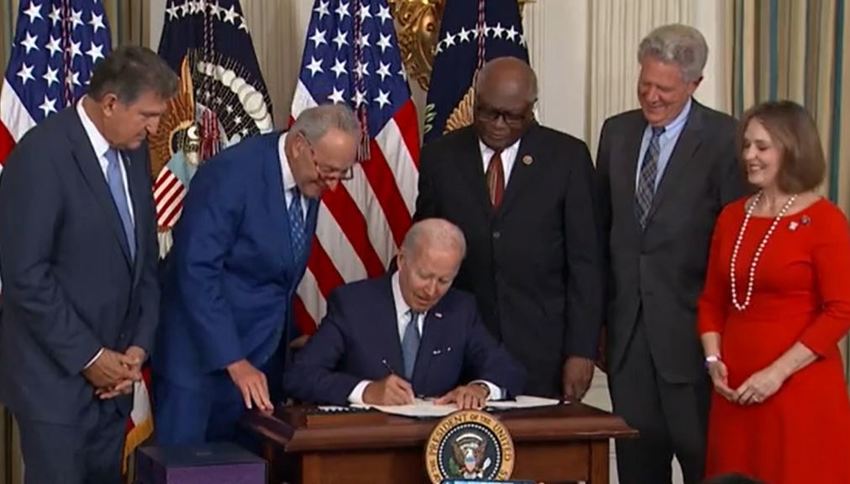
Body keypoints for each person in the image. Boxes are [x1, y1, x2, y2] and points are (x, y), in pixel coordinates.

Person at [0, 46, 175, 484]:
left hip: (115, 387)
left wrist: (137, 350)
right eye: (148, 116)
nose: (155, 129)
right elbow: (25, 277)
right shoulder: (42, 155)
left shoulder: (133, 152)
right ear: (111, 103)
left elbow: (145, 265)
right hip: (54, 388)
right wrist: (91, 357)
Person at [153, 104, 361, 444]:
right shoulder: (231, 174)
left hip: (262, 359)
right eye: (327, 172)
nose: (334, 186)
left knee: (250, 466)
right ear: (299, 145)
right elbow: (196, 271)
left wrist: (292, 336)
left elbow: (276, 269)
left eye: (342, 174)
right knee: (187, 467)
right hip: (199, 365)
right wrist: (234, 360)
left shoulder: (311, 176)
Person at [596, 24, 747, 484]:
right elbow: (602, 232)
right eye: (645, 84)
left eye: (664, 88)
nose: (651, 97)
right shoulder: (617, 132)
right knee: (638, 470)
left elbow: (735, 247)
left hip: (693, 341)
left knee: (704, 467)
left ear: (695, 83)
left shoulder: (726, 139)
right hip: (628, 342)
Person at [414, 57, 604, 400]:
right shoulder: (440, 157)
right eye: (488, 112)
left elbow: (586, 263)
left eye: (511, 116)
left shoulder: (567, 158)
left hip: (542, 349)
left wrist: (581, 350)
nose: (498, 125)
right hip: (458, 346)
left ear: (531, 109)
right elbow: (421, 245)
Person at [698, 100, 850, 483]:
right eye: (746, 145)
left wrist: (776, 373)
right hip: (734, 392)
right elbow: (712, 301)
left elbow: (841, 310)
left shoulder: (825, 220)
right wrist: (713, 362)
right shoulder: (732, 216)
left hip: (798, 390)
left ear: (792, 149)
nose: (749, 155)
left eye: (762, 146)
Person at [284, 219, 525, 408]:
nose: (431, 290)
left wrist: (480, 389)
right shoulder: (353, 304)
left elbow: (508, 369)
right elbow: (300, 376)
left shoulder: (460, 309)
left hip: (436, 444)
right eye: (424, 276)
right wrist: (366, 391)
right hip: (366, 442)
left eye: (444, 281)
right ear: (401, 260)